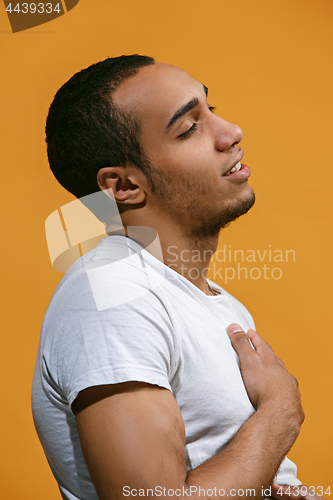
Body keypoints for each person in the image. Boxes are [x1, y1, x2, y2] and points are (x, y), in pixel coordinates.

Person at [32, 55, 320, 500]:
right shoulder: (112, 298)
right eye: (188, 128)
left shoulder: (211, 303)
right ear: (124, 186)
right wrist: (280, 412)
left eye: (211, 108)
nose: (230, 133)